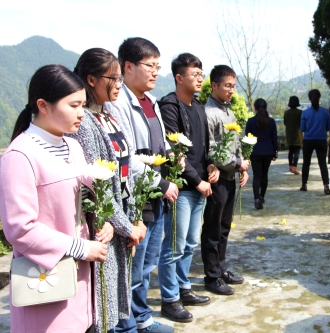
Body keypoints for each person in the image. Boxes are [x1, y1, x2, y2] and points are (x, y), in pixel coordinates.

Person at [0, 64, 108, 333]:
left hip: (80, 280)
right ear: (43, 105)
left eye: (83, 105)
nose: (81, 113)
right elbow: (20, 228)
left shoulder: (72, 146)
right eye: (73, 105)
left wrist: (102, 222)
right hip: (45, 281)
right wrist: (81, 248)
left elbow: (83, 200)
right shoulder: (20, 155)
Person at [70, 48, 148, 332]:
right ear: (91, 79)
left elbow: (127, 168)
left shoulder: (111, 113)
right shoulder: (84, 123)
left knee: (118, 291)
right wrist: (126, 226)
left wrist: (134, 218)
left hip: (121, 218)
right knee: (103, 300)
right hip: (104, 224)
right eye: (112, 78)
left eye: (119, 78)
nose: (119, 84)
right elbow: (97, 185)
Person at [107, 37, 178, 333]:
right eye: (150, 66)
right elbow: (127, 157)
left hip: (155, 194)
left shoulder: (150, 101)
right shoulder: (119, 103)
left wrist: (173, 157)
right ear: (128, 67)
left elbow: (157, 145)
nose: (155, 72)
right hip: (137, 198)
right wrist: (161, 183)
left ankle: (142, 318)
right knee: (132, 267)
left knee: (147, 264)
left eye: (157, 66)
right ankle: (127, 324)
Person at [158, 53, 219, 323]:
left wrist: (212, 166)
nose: (200, 79)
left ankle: (183, 288)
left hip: (199, 186)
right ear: (179, 77)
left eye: (201, 74)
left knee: (189, 243)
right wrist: (198, 181)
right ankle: (169, 299)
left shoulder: (199, 107)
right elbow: (174, 152)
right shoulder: (169, 106)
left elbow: (203, 146)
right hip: (182, 188)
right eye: (195, 75)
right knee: (174, 245)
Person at [202, 65, 249, 296]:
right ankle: (211, 276)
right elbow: (209, 149)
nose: (232, 90)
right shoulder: (208, 113)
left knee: (224, 227)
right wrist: (237, 163)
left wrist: (242, 165)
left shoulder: (228, 111)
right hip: (217, 178)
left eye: (233, 86)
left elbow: (235, 142)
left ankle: (221, 269)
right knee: (212, 228)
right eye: (227, 86)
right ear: (214, 86)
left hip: (230, 176)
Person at [244, 98, 278, 210]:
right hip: (268, 151)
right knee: (264, 175)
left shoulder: (250, 121)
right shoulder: (271, 122)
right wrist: (275, 152)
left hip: (255, 151)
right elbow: (274, 138)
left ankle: (256, 198)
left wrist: (246, 154)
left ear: (255, 108)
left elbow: (247, 138)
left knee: (256, 175)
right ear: (266, 107)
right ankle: (262, 196)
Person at [300, 89, 330, 195]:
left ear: (309, 99)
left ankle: (304, 184)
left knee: (306, 163)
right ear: (319, 98)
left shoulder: (305, 113)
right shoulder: (325, 112)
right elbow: (329, 126)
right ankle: (326, 185)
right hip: (321, 140)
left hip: (308, 140)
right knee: (322, 163)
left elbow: (303, 128)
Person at [283, 96, 303, 175]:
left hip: (289, 133)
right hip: (298, 133)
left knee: (290, 151)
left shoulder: (286, 112)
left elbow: (285, 123)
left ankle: (290, 165)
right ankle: (294, 166)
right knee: (297, 151)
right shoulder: (300, 112)